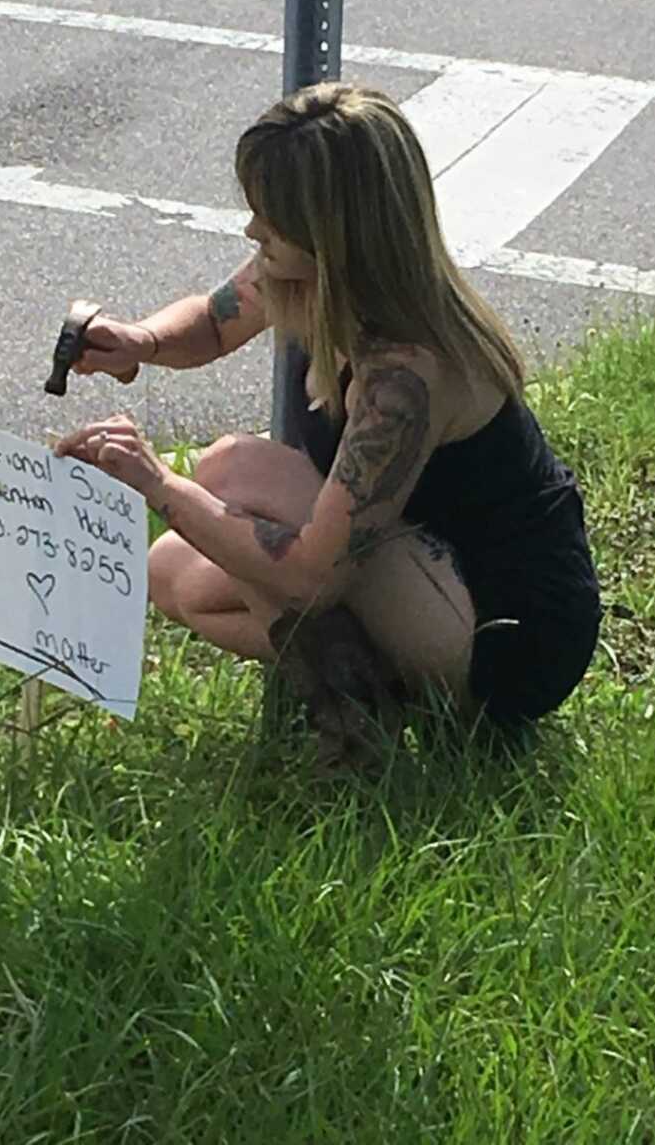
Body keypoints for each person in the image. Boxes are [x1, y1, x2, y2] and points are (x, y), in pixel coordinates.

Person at [53, 82, 602, 766]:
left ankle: (357, 716)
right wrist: (142, 342)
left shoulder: (406, 371)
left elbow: (314, 578)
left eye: (272, 218)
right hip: (421, 569)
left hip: (509, 632)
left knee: (226, 475)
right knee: (175, 572)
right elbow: (212, 322)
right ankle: (374, 687)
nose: (254, 231)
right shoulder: (308, 274)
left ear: (337, 233)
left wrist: (157, 484)